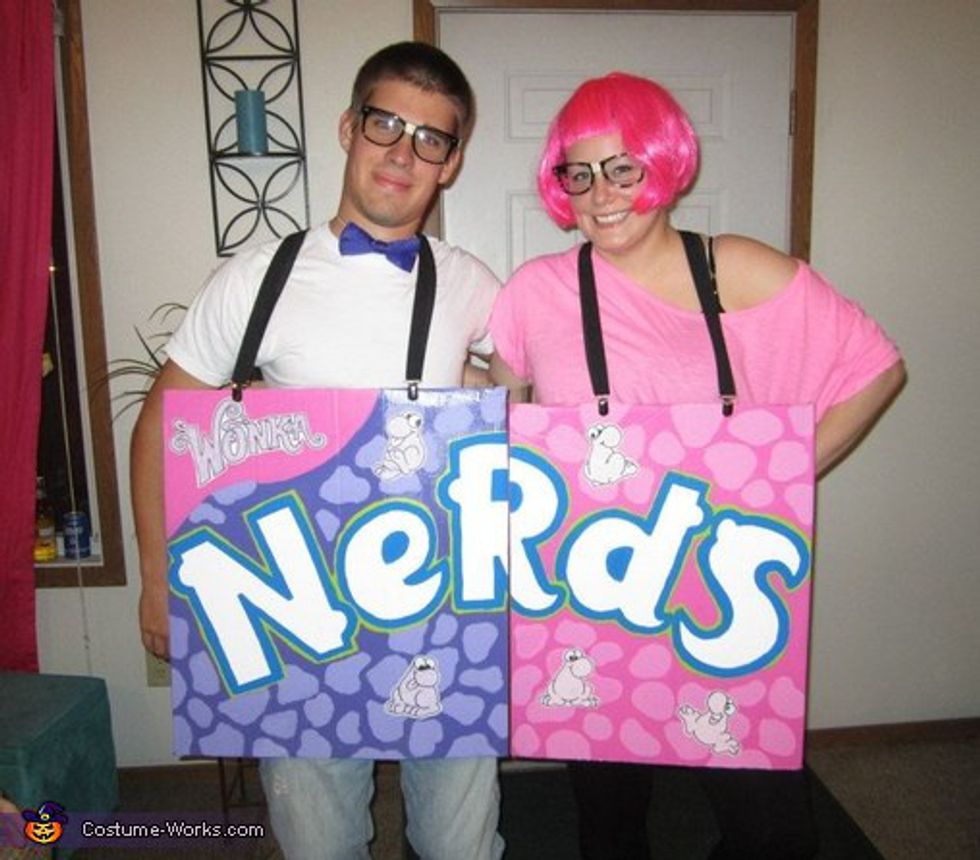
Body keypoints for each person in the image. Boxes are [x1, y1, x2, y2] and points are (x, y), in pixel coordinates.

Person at [489, 72, 905, 860]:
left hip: (719, 590)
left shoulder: (731, 269)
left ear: (663, 163)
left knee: (773, 832)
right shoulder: (535, 292)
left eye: (623, 168)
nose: (601, 194)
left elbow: (875, 369)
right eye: (580, 173)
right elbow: (498, 418)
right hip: (593, 595)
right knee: (610, 825)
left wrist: (780, 479)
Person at [131, 42, 504, 860]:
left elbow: (532, 404)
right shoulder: (259, 277)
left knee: (461, 844)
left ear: (451, 163)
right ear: (348, 127)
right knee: (318, 842)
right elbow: (162, 420)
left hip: (440, 604)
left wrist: (480, 382)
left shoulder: (471, 281)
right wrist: (159, 579)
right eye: (385, 125)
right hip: (296, 606)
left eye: (430, 139)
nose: (402, 153)